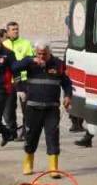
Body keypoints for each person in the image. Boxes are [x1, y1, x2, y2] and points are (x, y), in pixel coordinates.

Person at [10, 41, 72, 177]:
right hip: (33, 107)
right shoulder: (29, 62)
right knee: (31, 136)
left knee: (53, 136)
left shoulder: (58, 64)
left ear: (50, 52)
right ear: (35, 52)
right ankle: (28, 164)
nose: (42, 56)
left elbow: (66, 82)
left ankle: (53, 168)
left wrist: (68, 95)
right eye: (39, 54)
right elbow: (14, 68)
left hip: (52, 108)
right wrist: (20, 88)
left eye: (44, 54)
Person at [1, 21, 34, 144]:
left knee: (26, 109)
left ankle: (25, 132)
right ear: (8, 32)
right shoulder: (3, 45)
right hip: (8, 82)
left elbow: (31, 60)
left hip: (23, 81)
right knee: (8, 110)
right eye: (13, 29)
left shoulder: (26, 43)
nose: (15, 31)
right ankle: (12, 131)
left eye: (17, 29)